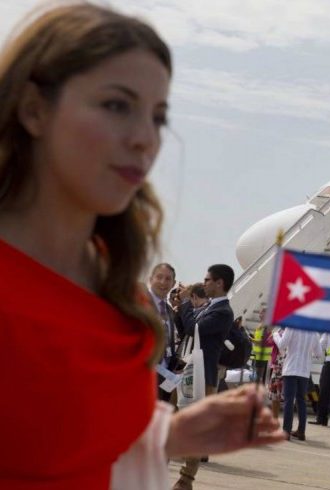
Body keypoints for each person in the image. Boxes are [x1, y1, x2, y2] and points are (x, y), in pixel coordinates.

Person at [0, 4, 284, 489]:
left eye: (157, 117)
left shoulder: (120, 292)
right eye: (116, 105)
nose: (144, 139)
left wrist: (168, 436)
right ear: (33, 108)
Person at [174, 264, 236, 488]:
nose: (204, 283)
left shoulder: (223, 311)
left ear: (220, 283)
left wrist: (184, 304)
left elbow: (195, 329)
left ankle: (186, 479)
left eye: (208, 280)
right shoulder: (209, 307)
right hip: (190, 370)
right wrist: (183, 306)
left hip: (204, 376)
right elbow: (185, 329)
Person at [272, 327, 323, 441]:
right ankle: (301, 431)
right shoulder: (314, 332)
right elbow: (319, 353)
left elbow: (281, 345)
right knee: (301, 401)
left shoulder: (292, 328)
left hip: (291, 368)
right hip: (304, 371)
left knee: (289, 401)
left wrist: (275, 334)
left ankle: (286, 431)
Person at [147, 262, 179, 402]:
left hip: (166, 379)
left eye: (168, 279)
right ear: (150, 279)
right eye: (159, 277)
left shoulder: (169, 310)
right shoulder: (140, 305)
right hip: (146, 375)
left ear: (173, 283)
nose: (163, 282)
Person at [251, 306, 273, 384]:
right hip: (256, 354)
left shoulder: (267, 325)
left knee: (258, 378)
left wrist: (251, 339)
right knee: (254, 377)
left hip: (262, 356)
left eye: (261, 313)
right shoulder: (261, 324)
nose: (259, 315)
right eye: (259, 313)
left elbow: (262, 342)